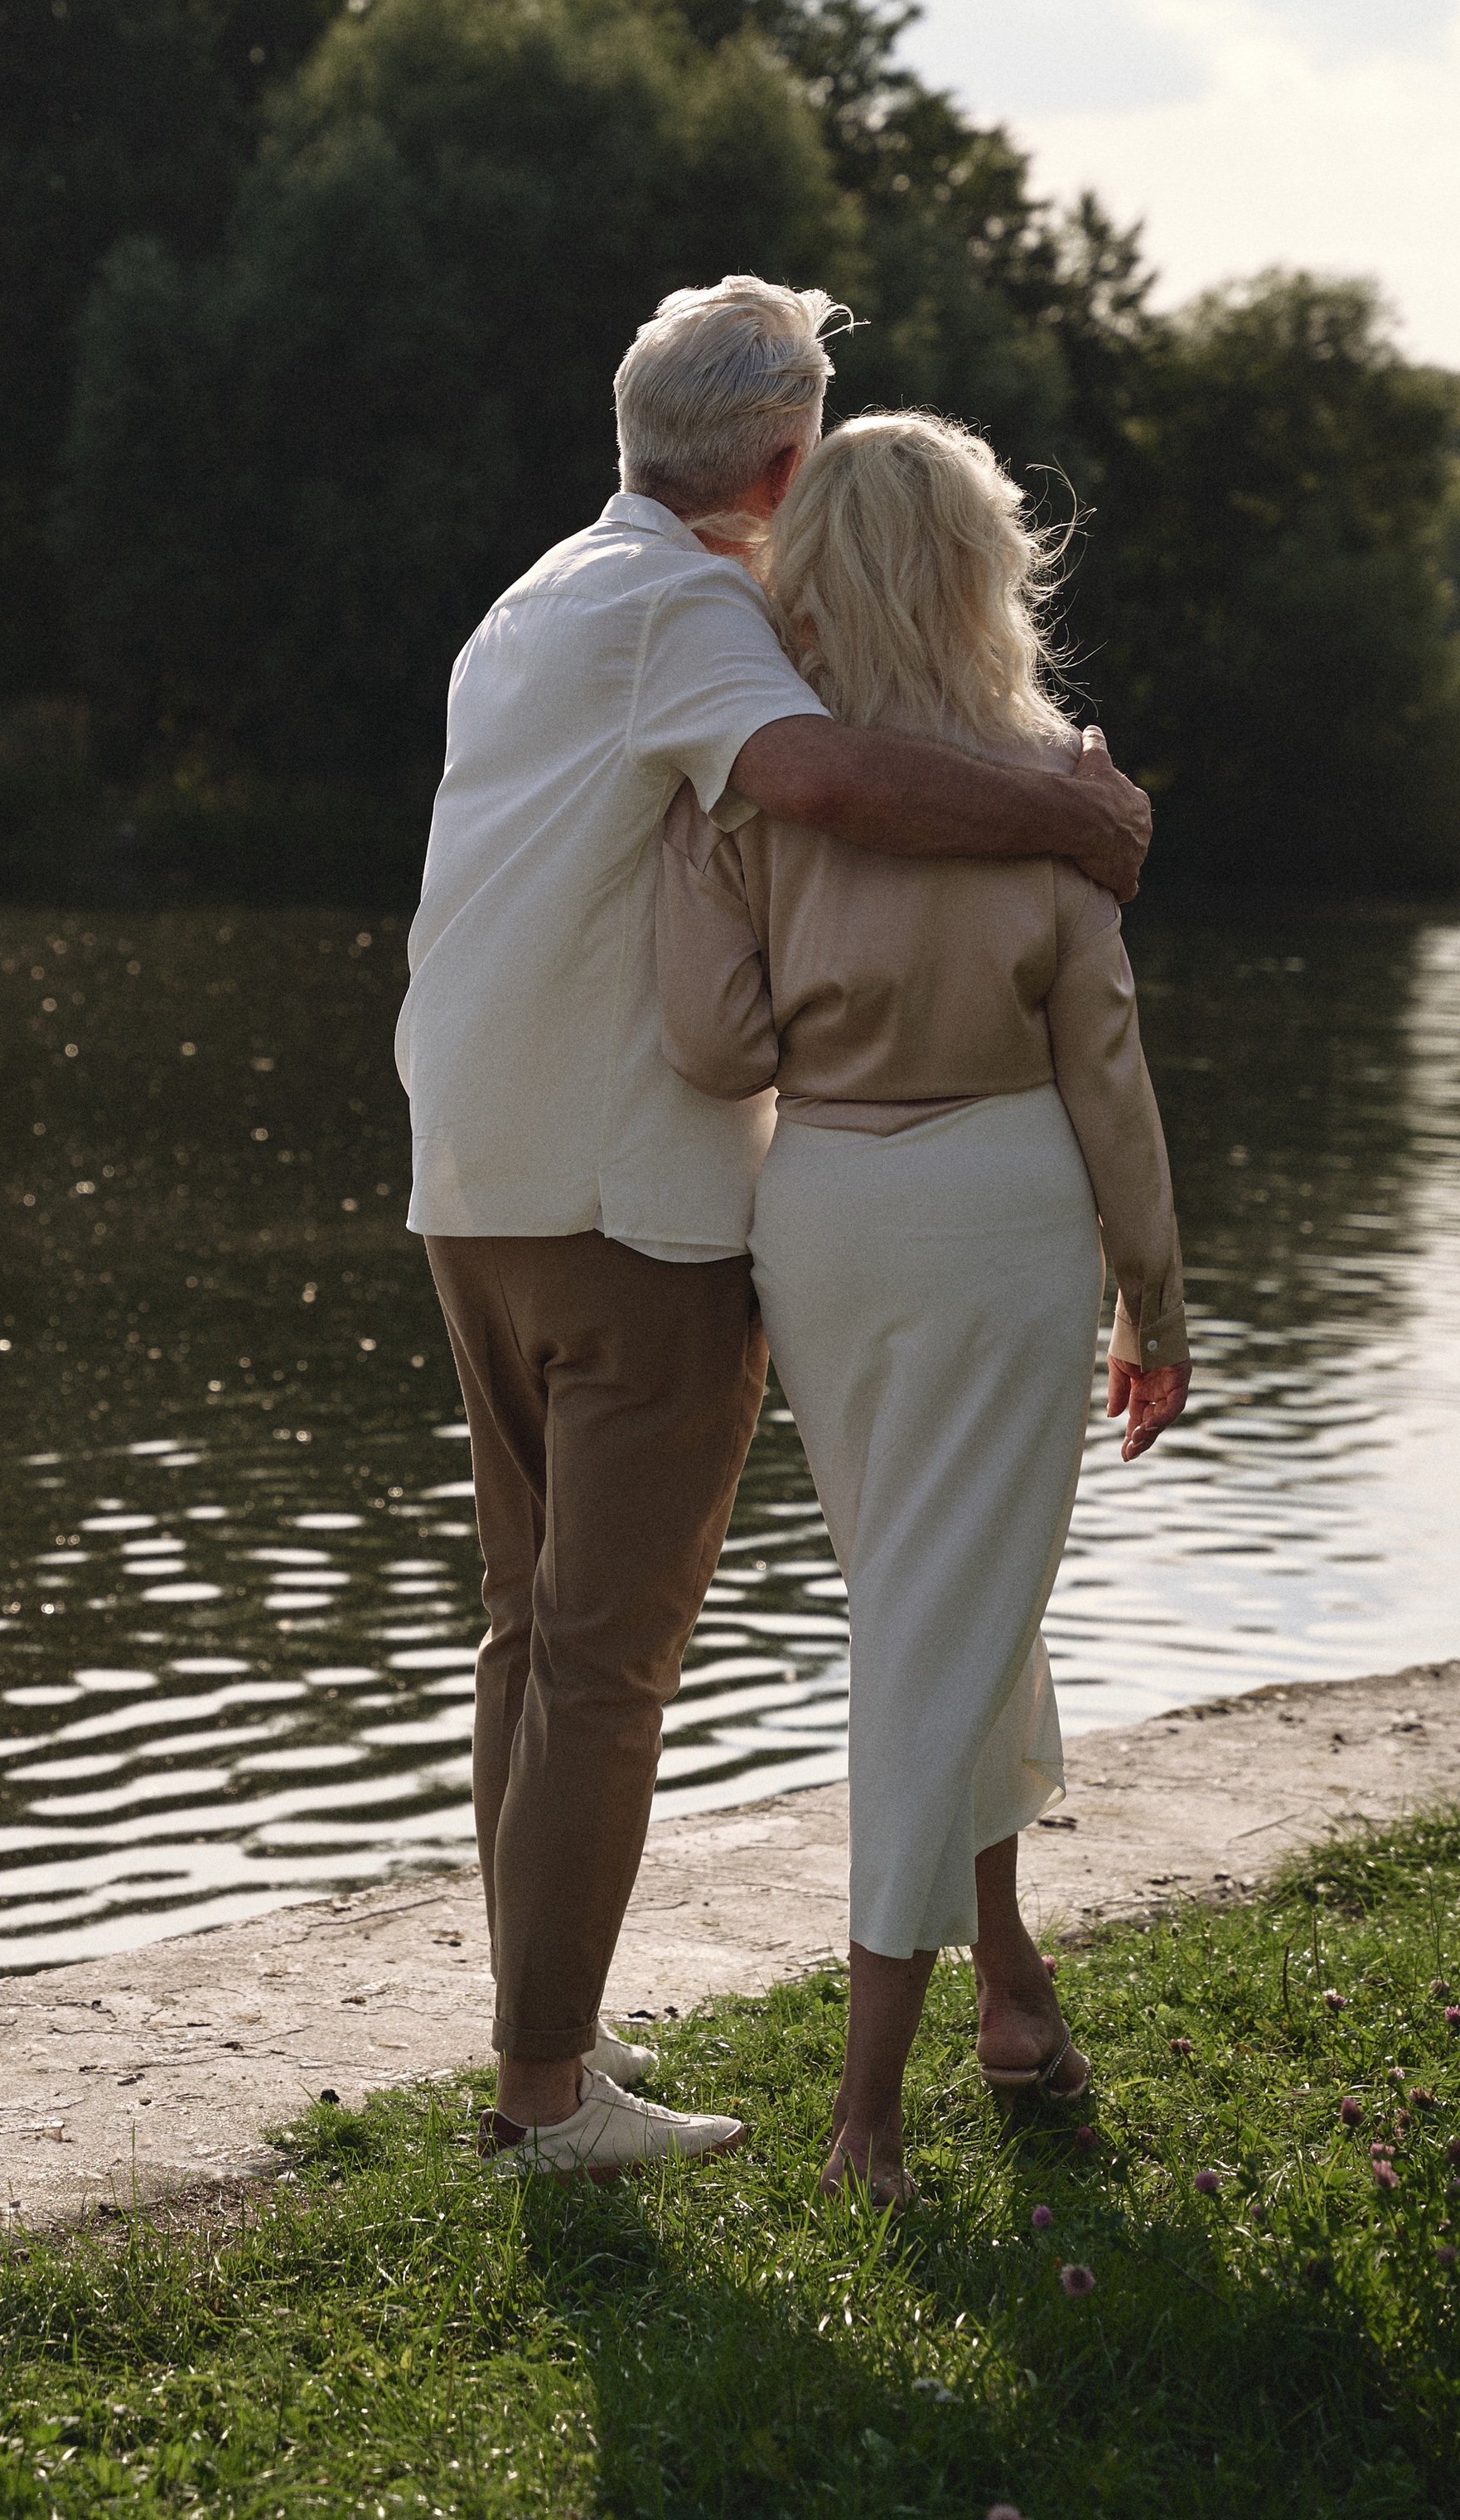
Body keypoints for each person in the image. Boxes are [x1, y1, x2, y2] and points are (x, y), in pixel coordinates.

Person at [395, 275, 1154, 2181]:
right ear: (781, 459)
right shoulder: (687, 606)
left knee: (527, 1636)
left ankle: (537, 2050)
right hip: (620, 1205)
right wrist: (1062, 813)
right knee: (602, 1658)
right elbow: (818, 777)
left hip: (471, 1185)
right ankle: (547, 2095)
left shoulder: (539, 594)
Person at [655, 407, 1191, 2207]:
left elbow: (714, 1041)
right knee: (936, 1625)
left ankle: (1011, 1992)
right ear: (982, 575)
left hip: (822, 1215)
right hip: (999, 1209)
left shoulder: (760, 786)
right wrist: (1157, 1304)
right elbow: (1105, 1077)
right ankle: (862, 2121)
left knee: (940, 1595)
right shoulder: (1052, 794)